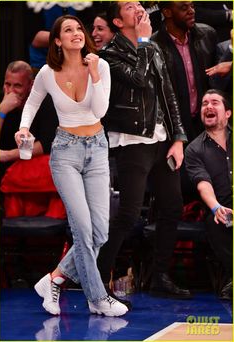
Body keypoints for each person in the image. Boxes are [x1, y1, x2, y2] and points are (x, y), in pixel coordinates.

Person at [15, 14, 128, 317]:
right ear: (57, 40)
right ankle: (97, 298)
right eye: (69, 30)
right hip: (64, 151)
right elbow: (32, 102)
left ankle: (54, 279)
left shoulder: (99, 65)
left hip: (97, 149)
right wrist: (24, 127)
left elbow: (100, 110)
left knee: (99, 232)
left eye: (79, 28)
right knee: (82, 229)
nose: (77, 33)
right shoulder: (47, 73)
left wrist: (94, 73)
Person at [97, 1, 191, 300]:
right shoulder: (108, 56)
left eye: (139, 3)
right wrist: (146, 42)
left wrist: (178, 137)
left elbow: (168, 93)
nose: (138, 7)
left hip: (162, 140)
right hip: (132, 141)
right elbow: (137, 79)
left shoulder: (152, 48)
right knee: (128, 214)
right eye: (129, 5)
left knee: (172, 205)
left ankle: (159, 276)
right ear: (117, 20)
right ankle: (98, 280)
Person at [185, 89, 233, 300]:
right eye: (204, 104)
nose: (208, 107)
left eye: (214, 102)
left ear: (228, 113)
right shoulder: (195, 149)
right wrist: (215, 207)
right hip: (221, 205)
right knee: (217, 222)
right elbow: (202, 182)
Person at [152, 1, 217, 143]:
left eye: (192, 6)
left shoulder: (207, 34)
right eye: (184, 8)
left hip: (206, 122)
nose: (191, 11)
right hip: (175, 131)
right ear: (167, 12)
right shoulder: (153, 45)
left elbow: (216, 82)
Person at [0, 61, 58, 182]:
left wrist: (8, 155)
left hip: (33, 169)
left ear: (31, 85)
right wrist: (2, 110)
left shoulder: (45, 102)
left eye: (17, 86)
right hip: (4, 169)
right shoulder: (2, 99)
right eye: (7, 84)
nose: (11, 91)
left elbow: (46, 144)